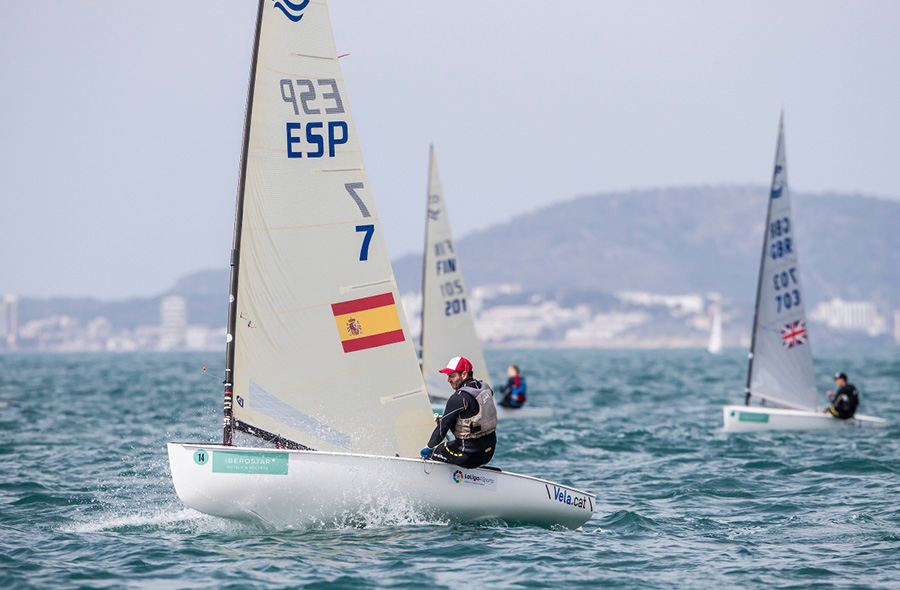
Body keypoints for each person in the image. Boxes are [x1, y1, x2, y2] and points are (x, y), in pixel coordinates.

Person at [420, 356, 497, 468]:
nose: (448, 380)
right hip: (488, 453)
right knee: (453, 444)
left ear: (464, 374)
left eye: (452, 376)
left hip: (468, 457)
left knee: (437, 450)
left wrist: (429, 447)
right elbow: (473, 415)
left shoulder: (458, 398)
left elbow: (442, 429)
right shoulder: (485, 389)